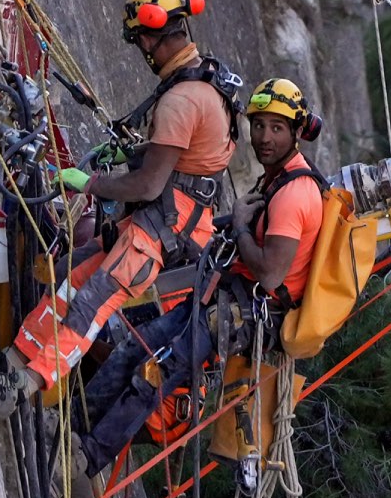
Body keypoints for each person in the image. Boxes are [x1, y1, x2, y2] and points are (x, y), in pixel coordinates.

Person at [0, 0, 240, 421]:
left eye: (140, 42)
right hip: (162, 226)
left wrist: (90, 182)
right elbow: (182, 163)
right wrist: (130, 156)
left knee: (89, 305)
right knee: (71, 283)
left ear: (150, 38)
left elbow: (149, 185)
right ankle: (11, 364)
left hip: (159, 233)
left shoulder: (182, 100)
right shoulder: (204, 81)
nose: (142, 52)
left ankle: (20, 389)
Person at [71, 77, 329, 477]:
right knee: (134, 351)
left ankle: (86, 457)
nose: (264, 137)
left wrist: (241, 227)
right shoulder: (279, 178)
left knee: (153, 375)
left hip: (239, 315)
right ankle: (74, 423)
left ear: (297, 133)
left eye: (277, 128)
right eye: (259, 125)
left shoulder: (296, 193)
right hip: (221, 299)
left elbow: (271, 272)